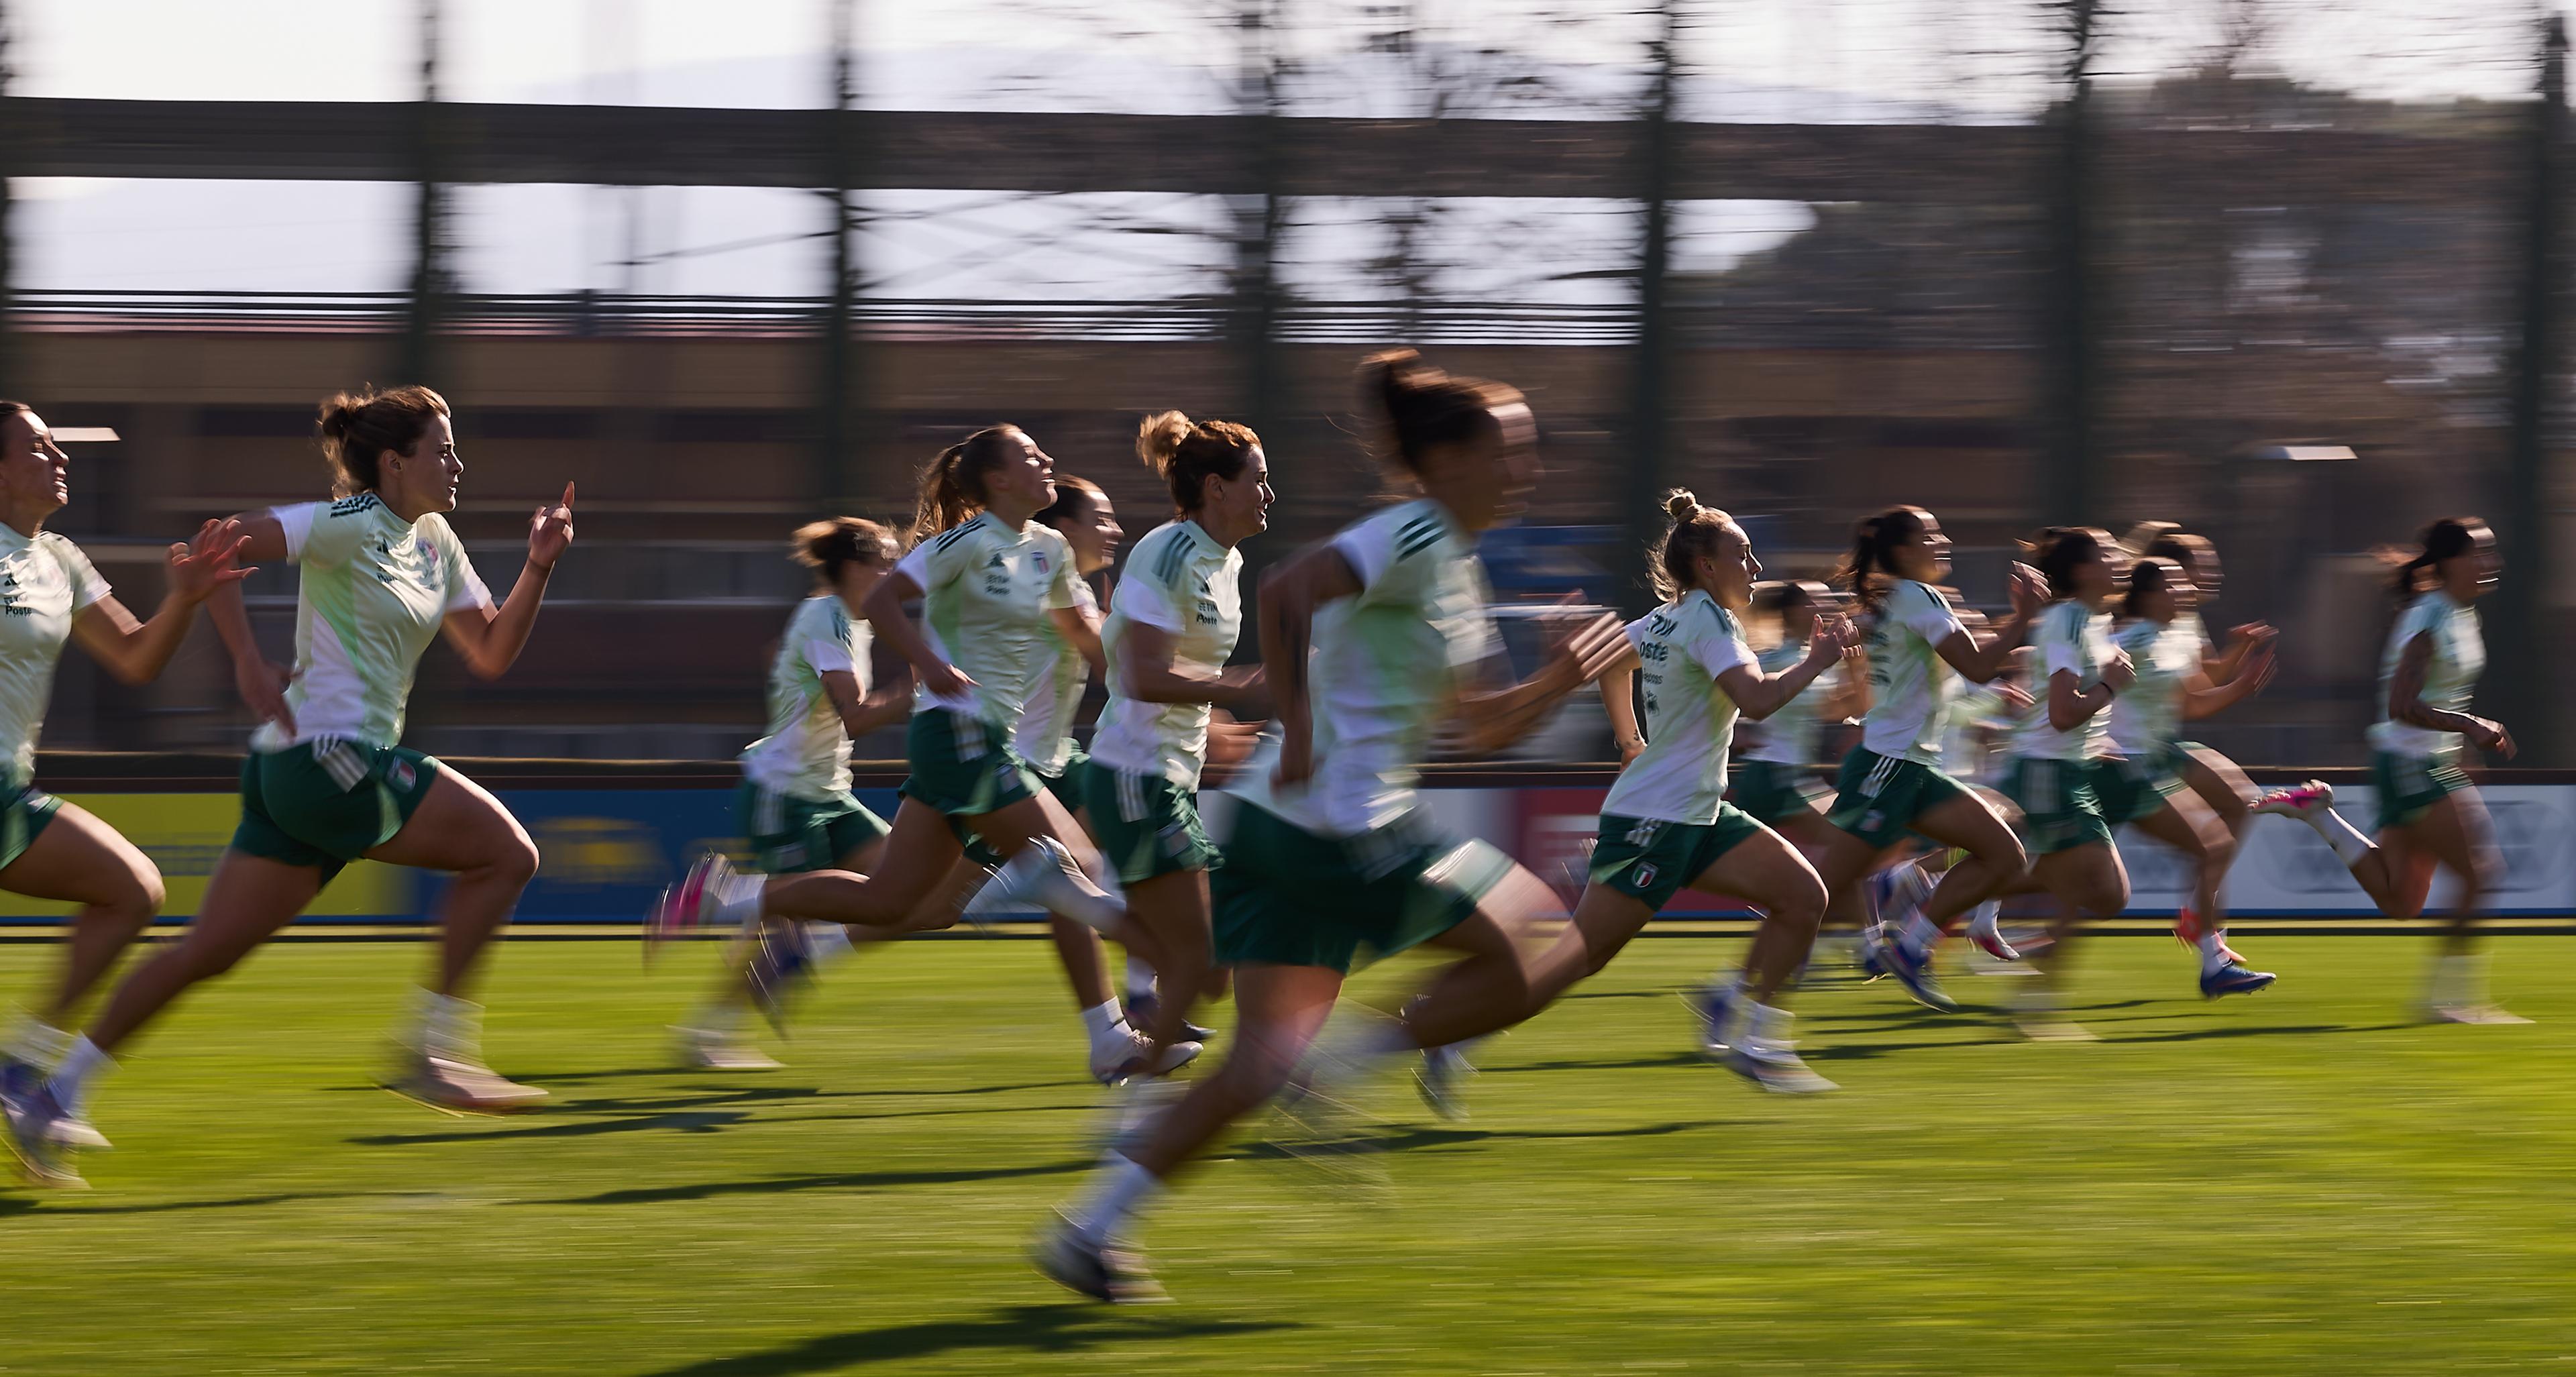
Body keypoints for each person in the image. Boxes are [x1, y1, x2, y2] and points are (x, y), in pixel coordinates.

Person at [1033, 349, 1629, 1303]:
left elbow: (1480, 727)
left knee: (1251, 1068)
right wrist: (1303, 725)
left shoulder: (1453, 569)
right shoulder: (1415, 534)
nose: (1528, 472)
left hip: (1277, 825)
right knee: (1540, 939)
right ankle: (1344, 1066)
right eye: (1508, 454)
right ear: (1445, 464)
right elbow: (1287, 591)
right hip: (1344, 824)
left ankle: (1088, 1232)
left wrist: (1561, 679)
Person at [5, 385, 578, 1185]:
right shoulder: (345, 524)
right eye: (442, 449)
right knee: (506, 853)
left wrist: (539, 566)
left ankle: (53, 1095)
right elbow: (221, 544)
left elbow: (488, 650)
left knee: (208, 950)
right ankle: (433, 1048)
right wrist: (243, 658)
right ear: (394, 462)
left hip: (302, 772)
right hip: (328, 760)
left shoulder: (436, 541)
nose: (456, 464)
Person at [651, 425, 1189, 1081]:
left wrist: (1167, 691)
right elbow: (884, 601)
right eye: (1030, 455)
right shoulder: (964, 543)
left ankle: (731, 898)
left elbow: (1086, 637)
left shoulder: (1047, 548)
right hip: (959, 735)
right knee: (1075, 863)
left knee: (893, 902)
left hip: (976, 744)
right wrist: (930, 665)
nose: (1046, 460)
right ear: (997, 479)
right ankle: (1121, 1017)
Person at [0, 402, 249, 1166]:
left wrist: (186, 599)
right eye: (42, 447)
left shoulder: (61, 558)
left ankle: (19, 1071)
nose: (60, 458)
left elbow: (137, 659)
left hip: (7, 794)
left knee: (133, 888)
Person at [1564, 493, 1856, 1091]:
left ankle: (1760, 1043)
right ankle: (1450, 1026)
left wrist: (1629, 740)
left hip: (1697, 810)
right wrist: (1819, 662)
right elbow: (1759, 700)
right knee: (1578, 958)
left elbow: (1611, 662)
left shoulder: (1667, 617)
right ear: (1706, 565)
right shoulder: (1711, 621)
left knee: (1803, 897)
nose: (1754, 568)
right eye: (1743, 555)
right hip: (1659, 818)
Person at [667, 517, 912, 1071]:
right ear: (853, 569)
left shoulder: (850, 620)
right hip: (787, 793)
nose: (895, 574)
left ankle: (761, 942)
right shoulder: (826, 614)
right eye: (886, 562)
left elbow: (791, 662)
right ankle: (706, 1033)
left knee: (905, 890)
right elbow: (855, 716)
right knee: (779, 931)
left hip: (829, 793)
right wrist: (922, 685)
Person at [2259, 517, 2522, 1022]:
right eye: (2481, 554)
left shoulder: (2460, 614)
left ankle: (2321, 816)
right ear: (2450, 563)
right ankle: (2447, 1002)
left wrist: (2464, 754)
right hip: (2410, 763)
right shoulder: (2431, 616)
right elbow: (2403, 703)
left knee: (2401, 899)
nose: (2493, 563)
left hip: (2422, 762)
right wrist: (2470, 726)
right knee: (2480, 873)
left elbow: (2441, 695)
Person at [1081, 412, 1271, 1063]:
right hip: (1136, 774)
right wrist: (1242, 688)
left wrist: (1216, 725)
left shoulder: (1229, 559)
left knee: (1211, 971)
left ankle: (1140, 1080)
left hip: (1170, 776)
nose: (1269, 494)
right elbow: (1141, 673)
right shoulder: (1168, 550)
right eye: (1260, 480)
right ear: (1216, 488)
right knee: (1197, 960)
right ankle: (1137, 1097)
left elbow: (1184, 671)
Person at [1815, 507, 2043, 1013]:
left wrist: (2014, 623)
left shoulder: (1896, 599)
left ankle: (1910, 945)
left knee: (2004, 854)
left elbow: (1970, 659)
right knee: (1813, 894)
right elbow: (1980, 665)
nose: (1944, 541)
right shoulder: (1916, 596)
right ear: (1901, 551)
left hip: (1911, 767)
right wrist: (2024, 616)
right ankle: (1733, 991)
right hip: (1889, 767)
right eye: (1929, 535)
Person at [1983, 528, 2137, 1038]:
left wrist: (2100, 743)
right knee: (2099, 892)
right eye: (2106, 554)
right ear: (2079, 570)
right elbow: (2064, 711)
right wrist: (2112, 685)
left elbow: (2075, 716)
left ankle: (2032, 1001)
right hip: (2049, 771)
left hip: (2071, 769)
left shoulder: (2095, 619)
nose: (2118, 559)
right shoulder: (2067, 619)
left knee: (2102, 897)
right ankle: (2035, 1008)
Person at [2102, 553, 2279, 997]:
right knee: (2047, 874)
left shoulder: (2171, 633)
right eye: (2175, 582)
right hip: (2122, 763)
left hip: (2153, 754)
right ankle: (1936, 911)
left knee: (2231, 818)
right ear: (2147, 594)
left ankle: (2206, 939)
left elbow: (2195, 695)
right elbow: (2194, 701)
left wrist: (2239, 672)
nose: (2187, 589)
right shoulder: (2131, 638)